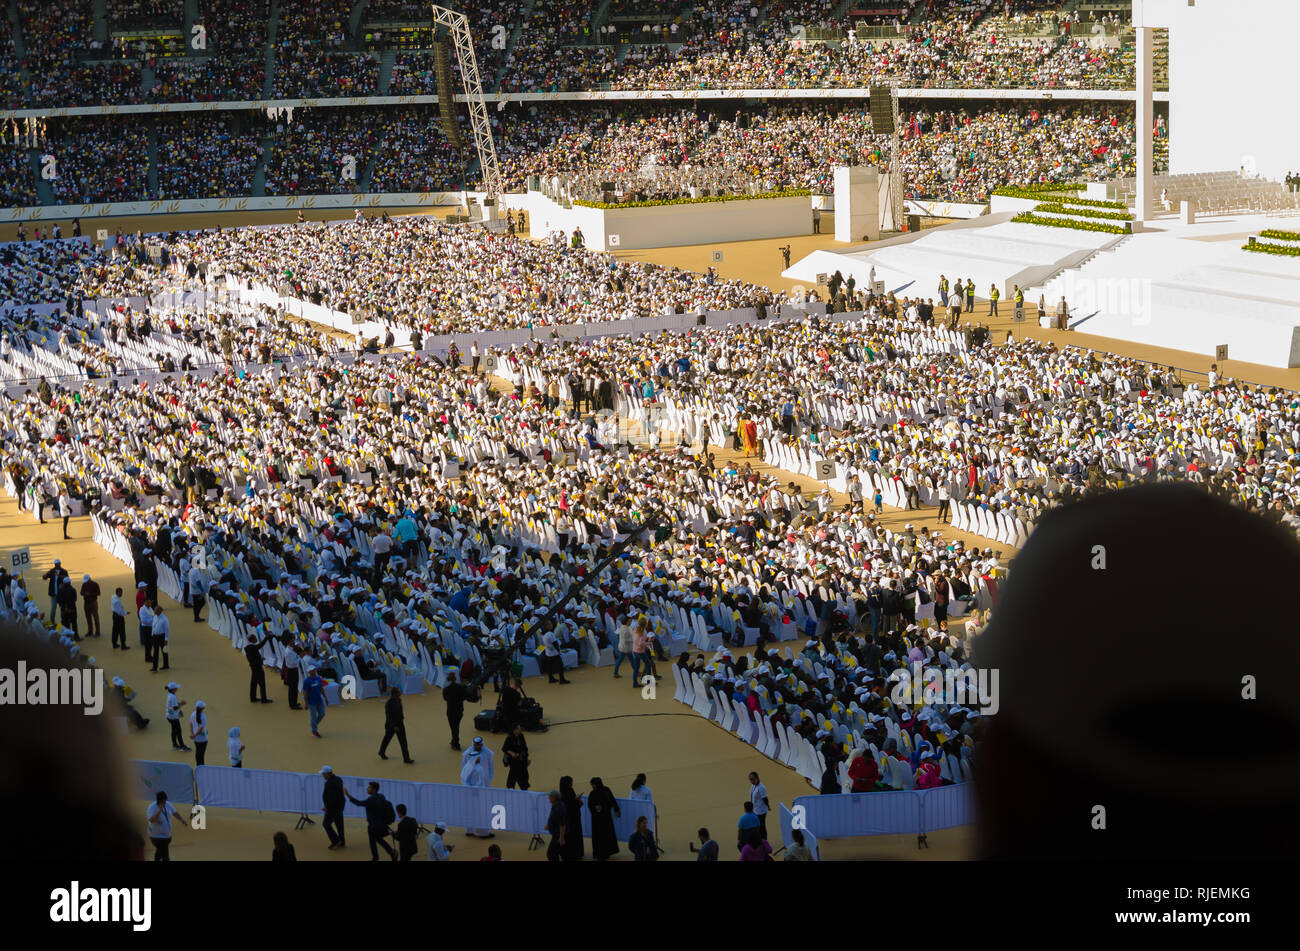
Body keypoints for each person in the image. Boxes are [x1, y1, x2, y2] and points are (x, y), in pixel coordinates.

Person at [346, 780, 398, 861]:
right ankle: (391, 852)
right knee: (378, 839)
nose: (367, 789)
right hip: (381, 824)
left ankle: (378, 857)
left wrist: (348, 795)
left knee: (373, 841)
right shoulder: (381, 796)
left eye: (369, 787)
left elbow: (359, 803)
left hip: (374, 825)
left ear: (374, 790)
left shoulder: (371, 799)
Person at [460, 736, 495, 837]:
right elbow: (466, 778)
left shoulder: (486, 753)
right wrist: (473, 790)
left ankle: (475, 831)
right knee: (479, 810)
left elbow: (490, 766)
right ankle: (479, 832)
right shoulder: (471, 764)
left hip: (480, 789)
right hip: (476, 792)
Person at [146, 790, 187, 861]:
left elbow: (175, 813)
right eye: (163, 801)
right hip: (156, 836)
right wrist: (159, 810)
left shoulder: (168, 804)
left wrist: (181, 820)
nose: (165, 802)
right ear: (159, 800)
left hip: (167, 835)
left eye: (165, 800)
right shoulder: (152, 807)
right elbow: (151, 820)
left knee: (159, 853)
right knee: (165, 855)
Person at [378, 686, 414, 763]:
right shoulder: (389, 704)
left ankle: (406, 758)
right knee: (387, 739)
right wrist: (394, 726)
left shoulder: (399, 700)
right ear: (395, 694)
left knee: (403, 742)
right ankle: (381, 751)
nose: (400, 693)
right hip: (391, 726)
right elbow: (389, 716)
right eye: (399, 692)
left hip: (400, 724)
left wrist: (402, 718)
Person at [588, 776, 620, 860]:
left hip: (605, 818)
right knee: (599, 837)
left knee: (606, 836)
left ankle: (606, 853)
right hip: (597, 819)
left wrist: (615, 809)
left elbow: (612, 801)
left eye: (593, 784)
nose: (592, 786)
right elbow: (590, 805)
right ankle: (599, 854)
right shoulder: (592, 793)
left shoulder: (606, 790)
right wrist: (595, 808)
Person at [443, 670, 473, 750]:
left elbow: (445, 698)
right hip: (459, 710)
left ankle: (455, 742)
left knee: (453, 727)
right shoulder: (461, 687)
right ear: (455, 679)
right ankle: (454, 741)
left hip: (450, 711)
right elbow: (464, 697)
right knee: (456, 726)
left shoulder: (446, 689)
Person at [244, 625, 273, 703]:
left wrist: (260, 658)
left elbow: (254, 655)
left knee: (254, 683)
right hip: (257, 667)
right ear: (252, 640)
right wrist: (266, 637)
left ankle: (253, 697)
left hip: (253, 666)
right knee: (262, 683)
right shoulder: (252, 647)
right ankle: (264, 699)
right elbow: (260, 646)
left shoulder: (248, 647)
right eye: (255, 638)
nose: (256, 639)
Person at [559, 775, 584, 861]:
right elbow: (569, 805)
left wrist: (577, 800)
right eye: (571, 782)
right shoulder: (564, 794)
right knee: (571, 837)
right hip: (570, 820)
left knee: (574, 836)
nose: (572, 784)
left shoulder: (567, 791)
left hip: (574, 818)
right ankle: (572, 854)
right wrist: (576, 800)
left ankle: (575, 854)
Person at [320, 766, 346, 849]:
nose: (322, 775)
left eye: (323, 774)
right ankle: (342, 842)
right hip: (339, 807)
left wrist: (327, 807)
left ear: (327, 773)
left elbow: (332, 797)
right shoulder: (338, 779)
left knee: (326, 824)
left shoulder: (330, 783)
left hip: (332, 809)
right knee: (339, 825)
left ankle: (336, 841)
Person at [502, 722, 530, 790]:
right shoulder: (509, 738)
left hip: (522, 761)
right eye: (518, 728)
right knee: (513, 777)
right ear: (514, 730)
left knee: (523, 778)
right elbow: (504, 748)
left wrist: (526, 759)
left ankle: (524, 790)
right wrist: (511, 753)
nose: (520, 730)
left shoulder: (521, 736)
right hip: (514, 762)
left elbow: (525, 748)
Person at [165, 681, 189, 752]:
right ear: (173, 689)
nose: (177, 689)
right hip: (173, 717)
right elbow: (175, 707)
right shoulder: (173, 697)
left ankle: (175, 745)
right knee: (178, 731)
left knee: (174, 731)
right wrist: (181, 704)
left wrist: (179, 704)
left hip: (169, 716)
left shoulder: (170, 695)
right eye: (176, 688)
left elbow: (173, 706)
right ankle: (182, 747)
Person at [302, 666, 326, 737]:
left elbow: (321, 688)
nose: (314, 671)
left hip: (319, 700)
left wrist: (325, 696)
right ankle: (314, 731)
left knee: (322, 714)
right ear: (309, 672)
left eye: (314, 670)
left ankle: (313, 723)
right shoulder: (306, 681)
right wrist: (306, 704)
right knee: (314, 716)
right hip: (311, 702)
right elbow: (305, 692)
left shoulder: (318, 678)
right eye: (312, 670)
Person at [748, 771, 770, 841]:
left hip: (761, 811)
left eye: (753, 779)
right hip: (755, 809)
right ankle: (759, 839)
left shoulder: (761, 787)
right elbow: (752, 796)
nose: (751, 781)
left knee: (762, 827)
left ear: (757, 778)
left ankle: (764, 840)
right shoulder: (753, 785)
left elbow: (765, 798)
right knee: (757, 826)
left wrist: (768, 806)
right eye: (750, 779)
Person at [545, 790, 566, 862]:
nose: (548, 798)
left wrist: (561, 838)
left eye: (550, 796)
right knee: (556, 853)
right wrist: (548, 824)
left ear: (554, 798)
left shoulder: (558, 809)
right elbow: (553, 818)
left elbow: (562, 824)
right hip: (556, 833)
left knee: (550, 854)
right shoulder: (556, 805)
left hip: (558, 835)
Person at [150, 603, 170, 672]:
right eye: (155, 610)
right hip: (155, 636)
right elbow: (153, 626)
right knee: (155, 652)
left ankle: (166, 665)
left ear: (160, 611)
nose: (155, 612)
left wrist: (166, 639)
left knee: (164, 651)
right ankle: (154, 667)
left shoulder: (164, 619)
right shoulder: (155, 617)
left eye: (156, 610)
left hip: (162, 636)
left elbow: (167, 629)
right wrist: (152, 634)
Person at [189, 700, 208, 766]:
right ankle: (201, 767)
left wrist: (192, 734)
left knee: (198, 752)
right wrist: (194, 735)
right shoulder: (203, 716)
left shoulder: (192, 714)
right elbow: (201, 728)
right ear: (203, 708)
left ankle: (198, 766)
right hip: (202, 738)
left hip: (196, 739)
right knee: (201, 754)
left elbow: (191, 723)